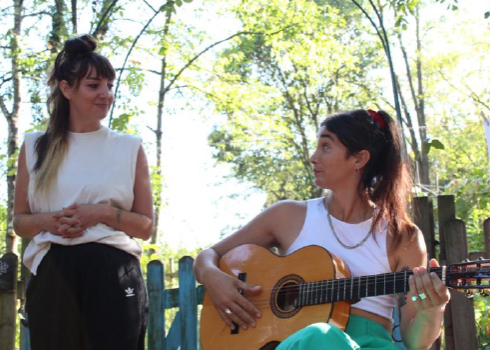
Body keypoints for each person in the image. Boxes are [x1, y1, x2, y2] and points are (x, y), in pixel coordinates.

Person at [194, 109, 450, 349]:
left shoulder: (402, 236)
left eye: (325, 146)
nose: (313, 157)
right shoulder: (287, 216)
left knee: (322, 336)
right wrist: (212, 277)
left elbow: (416, 343)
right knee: (318, 336)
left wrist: (432, 310)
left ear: (359, 158)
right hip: (296, 342)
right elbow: (208, 256)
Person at [13, 34, 153, 350]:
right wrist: (49, 221)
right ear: (67, 89)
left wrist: (100, 213)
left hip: (115, 271)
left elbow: (145, 227)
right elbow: (20, 222)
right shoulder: (35, 146)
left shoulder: (130, 148)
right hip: (53, 275)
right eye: (93, 85)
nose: (106, 94)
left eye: (109, 85)